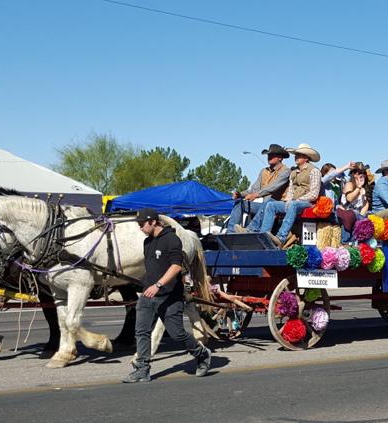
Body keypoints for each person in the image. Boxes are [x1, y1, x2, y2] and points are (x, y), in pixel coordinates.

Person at [123, 208, 212, 383]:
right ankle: (142, 368)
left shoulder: (172, 240)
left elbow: (176, 267)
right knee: (141, 331)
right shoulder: (147, 243)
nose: (140, 228)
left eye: (142, 224)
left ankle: (201, 353)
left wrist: (158, 285)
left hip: (169, 295)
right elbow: (152, 268)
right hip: (149, 294)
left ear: (153, 222)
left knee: (177, 333)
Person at [242, 143, 321, 248]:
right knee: (271, 205)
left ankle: (281, 237)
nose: (295, 157)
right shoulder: (293, 173)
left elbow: (314, 194)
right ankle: (263, 235)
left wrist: (296, 200)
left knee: (293, 205)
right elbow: (291, 191)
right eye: (296, 155)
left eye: (299, 155)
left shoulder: (314, 171)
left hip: (308, 203)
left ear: (306, 158)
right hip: (293, 202)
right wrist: (288, 200)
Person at [225, 144, 290, 233]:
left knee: (269, 202)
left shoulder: (285, 171)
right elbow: (254, 189)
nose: (269, 157)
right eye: (268, 155)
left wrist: (256, 195)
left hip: (277, 206)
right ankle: (230, 232)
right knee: (239, 203)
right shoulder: (264, 171)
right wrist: (240, 194)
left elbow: (273, 187)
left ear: (280, 158)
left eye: (272, 155)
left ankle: (250, 230)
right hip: (264, 206)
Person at [337, 163, 370, 232]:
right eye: (359, 173)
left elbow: (365, 205)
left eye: (364, 173)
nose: (362, 175)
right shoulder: (349, 184)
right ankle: (346, 241)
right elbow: (349, 198)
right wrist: (358, 187)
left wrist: (361, 218)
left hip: (357, 215)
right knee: (350, 215)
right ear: (354, 174)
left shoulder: (364, 189)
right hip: (346, 213)